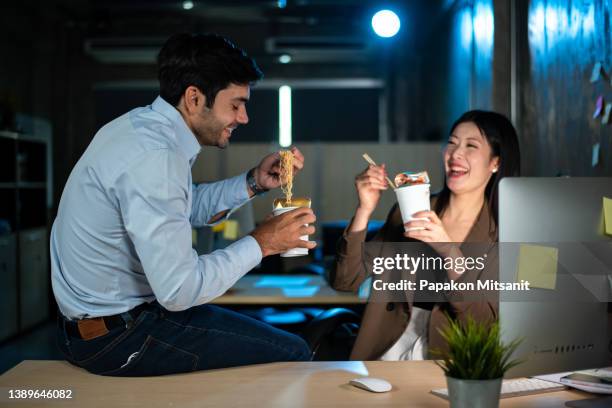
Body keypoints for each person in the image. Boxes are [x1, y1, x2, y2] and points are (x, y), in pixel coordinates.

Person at [52, 33, 316, 376]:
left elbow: (183, 208)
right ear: (194, 98)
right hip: (118, 338)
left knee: (264, 336)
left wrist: (252, 182)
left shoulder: (140, 129)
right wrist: (264, 242)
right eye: (235, 105)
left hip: (108, 322)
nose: (244, 117)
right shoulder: (156, 156)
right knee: (293, 352)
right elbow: (180, 290)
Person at [330, 110, 520, 360]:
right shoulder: (407, 213)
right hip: (386, 354)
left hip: (452, 361)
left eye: (471, 146)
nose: (456, 154)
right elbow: (346, 280)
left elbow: (485, 326)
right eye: (452, 143)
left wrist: (450, 251)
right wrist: (364, 210)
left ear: (495, 162)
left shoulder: (507, 232)